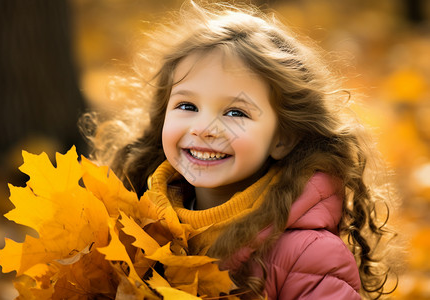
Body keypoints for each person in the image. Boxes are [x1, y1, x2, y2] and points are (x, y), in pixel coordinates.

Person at [81, 2, 398, 299]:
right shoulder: (132, 229)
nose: (204, 128)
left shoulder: (309, 255)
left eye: (236, 113)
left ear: (282, 138)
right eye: (187, 105)